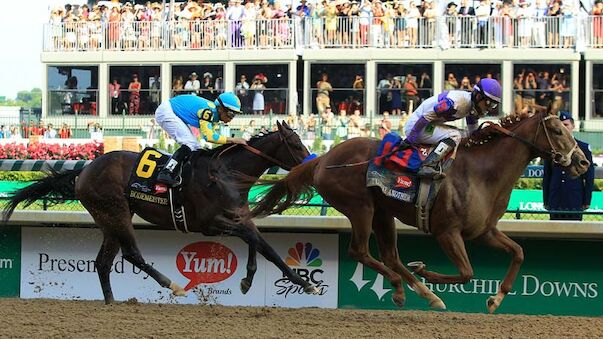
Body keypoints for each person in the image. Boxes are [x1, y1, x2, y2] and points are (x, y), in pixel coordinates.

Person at [403, 78, 502, 179]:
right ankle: (428, 165)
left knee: (464, 135)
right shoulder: (453, 103)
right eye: (489, 104)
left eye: (494, 105)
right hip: (417, 126)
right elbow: (425, 117)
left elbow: (473, 134)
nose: (489, 109)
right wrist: (411, 137)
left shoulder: (472, 106)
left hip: (429, 124)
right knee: (455, 135)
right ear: (479, 96)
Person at [155, 92, 247, 186]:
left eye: (234, 115)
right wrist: (233, 140)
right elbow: (209, 137)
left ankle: (183, 173)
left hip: (174, 111)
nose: (231, 118)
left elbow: (212, 135)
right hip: (167, 111)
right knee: (189, 143)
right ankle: (166, 172)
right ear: (220, 108)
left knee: (196, 147)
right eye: (231, 113)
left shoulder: (215, 116)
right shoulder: (208, 112)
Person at [543, 112, 594, 221]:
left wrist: (586, 200)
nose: (564, 128)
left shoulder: (583, 148)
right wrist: (546, 200)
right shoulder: (552, 148)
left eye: (566, 125)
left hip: (574, 197)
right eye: (561, 126)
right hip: (555, 197)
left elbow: (589, 177)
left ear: (573, 126)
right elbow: (547, 175)